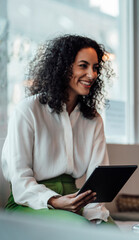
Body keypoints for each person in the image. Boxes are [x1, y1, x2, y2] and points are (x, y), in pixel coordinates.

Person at [1, 35, 116, 225]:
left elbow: (98, 180)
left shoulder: (94, 119)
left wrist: (95, 216)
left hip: (74, 201)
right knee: (78, 227)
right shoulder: (28, 110)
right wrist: (54, 200)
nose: (92, 74)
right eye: (83, 66)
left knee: (108, 231)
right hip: (29, 203)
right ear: (63, 67)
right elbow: (20, 180)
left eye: (95, 68)